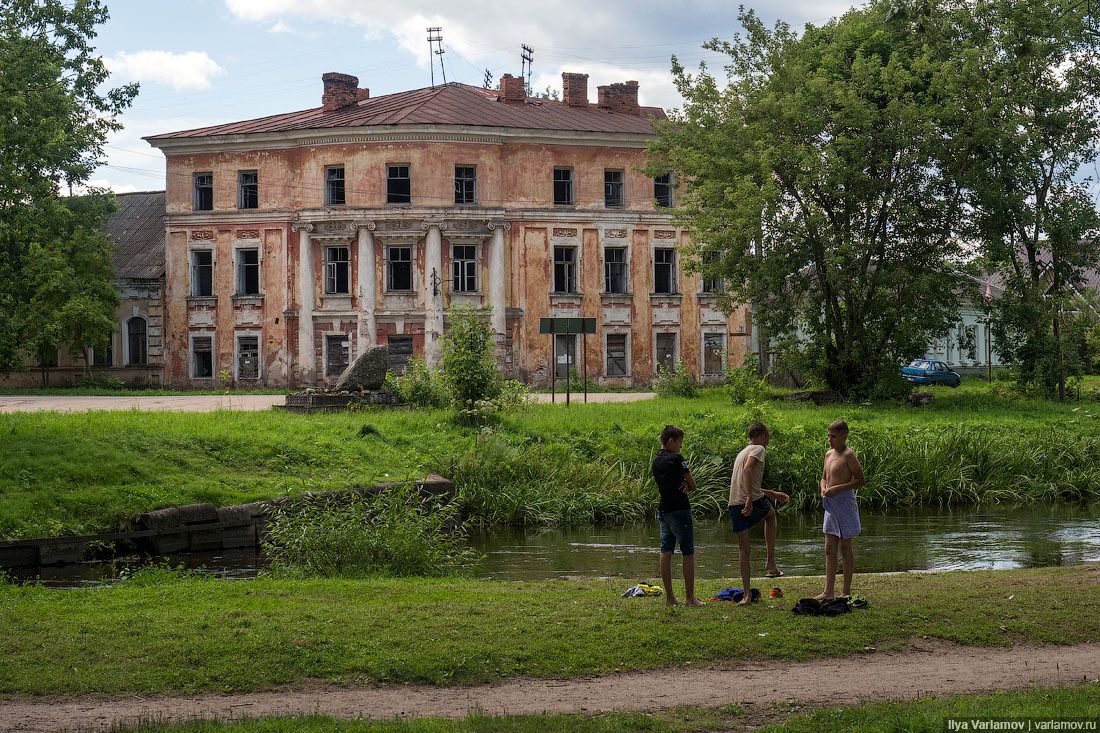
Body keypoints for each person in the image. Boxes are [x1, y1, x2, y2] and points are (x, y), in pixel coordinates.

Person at [728, 421, 790, 606]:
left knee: (744, 549)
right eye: (768, 438)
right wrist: (749, 498)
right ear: (762, 437)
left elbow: (749, 481)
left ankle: (747, 596)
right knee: (771, 516)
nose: (768, 442)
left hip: (734, 503)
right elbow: (748, 470)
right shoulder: (758, 449)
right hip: (748, 499)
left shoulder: (742, 452)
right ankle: (770, 563)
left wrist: (772, 494)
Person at [652, 424, 704, 606]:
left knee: (665, 550)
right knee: (688, 552)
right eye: (680, 443)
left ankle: (670, 598)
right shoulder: (677, 459)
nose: (681, 447)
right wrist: (688, 485)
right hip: (680, 510)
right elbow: (693, 484)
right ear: (671, 440)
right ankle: (690, 598)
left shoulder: (656, 460)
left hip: (663, 510)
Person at [816, 419, 865, 601]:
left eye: (833, 436)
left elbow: (860, 480)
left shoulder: (848, 455)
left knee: (845, 546)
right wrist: (823, 488)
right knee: (829, 547)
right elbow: (823, 478)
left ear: (844, 437)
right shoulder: (828, 454)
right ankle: (828, 591)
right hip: (830, 504)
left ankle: (845, 590)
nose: (829, 440)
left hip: (844, 502)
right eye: (828, 436)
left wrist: (838, 488)